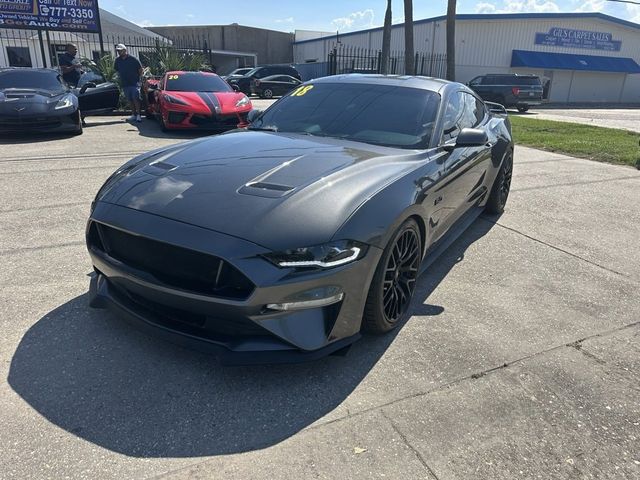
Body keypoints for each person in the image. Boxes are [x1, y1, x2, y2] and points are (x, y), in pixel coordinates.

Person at [114, 44, 143, 123]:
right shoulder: (117, 60)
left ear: (125, 50)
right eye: (118, 51)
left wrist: (138, 79)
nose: (119, 52)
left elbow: (140, 70)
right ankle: (133, 114)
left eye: (120, 50)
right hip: (125, 83)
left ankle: (139, 115)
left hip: (134, 83)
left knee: (135, 98)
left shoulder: (133, 59)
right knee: (130, 99)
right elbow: (117, 70)